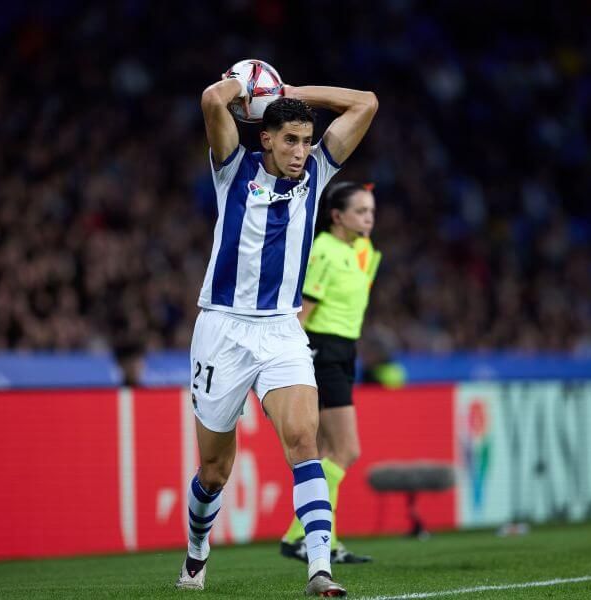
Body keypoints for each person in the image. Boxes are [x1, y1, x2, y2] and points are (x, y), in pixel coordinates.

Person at [175, 65, 377, 598]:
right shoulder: (232, 168)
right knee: (214, 472)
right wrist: (244, 87)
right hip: (222, 329)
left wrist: (292, 94)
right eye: (290, 139)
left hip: (283, 331)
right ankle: (197, 550)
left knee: (304, 441)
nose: (300, 151)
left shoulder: (316, 174)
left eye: (307, 140)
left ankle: (318, 569)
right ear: (264, 136)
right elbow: (211, 100)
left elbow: (366, 102)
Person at [279, 182, 381, 565]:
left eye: (371, 211)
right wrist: (294, 363)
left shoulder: (365, 251)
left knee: (326, 451)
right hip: (321, 349)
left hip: (344, 350)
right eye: (361, 211)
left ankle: (320, 541)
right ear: (337, 216)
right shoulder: (323, 250)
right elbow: (302, 315)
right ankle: (299, 536)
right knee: (346, 449)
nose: (369, 217)